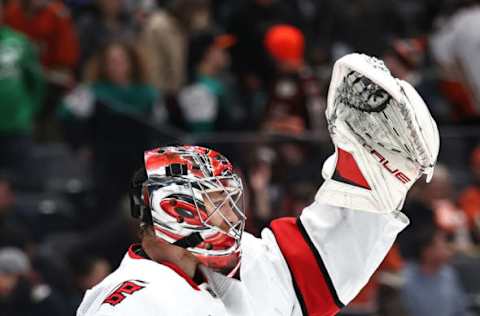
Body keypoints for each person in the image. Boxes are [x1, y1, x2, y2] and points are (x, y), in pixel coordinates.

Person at [77, 53, 440, 315]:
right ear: (177, 210)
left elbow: (310, 270)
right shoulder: (130, 299)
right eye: (218, 201)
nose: (233, 216)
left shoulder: (233, 265)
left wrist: (371, 175)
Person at [400, 224, 469, 316]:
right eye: (442, 244)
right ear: (427, 250)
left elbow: (461, 309)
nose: (447, 249)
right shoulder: (406, 279)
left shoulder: (449, 274)